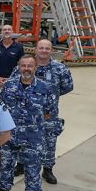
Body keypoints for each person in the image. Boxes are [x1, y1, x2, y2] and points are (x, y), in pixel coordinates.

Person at [0, 55, 52, 191]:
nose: (26, 69)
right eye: (23, 65)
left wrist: (31, 126)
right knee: (5, 165)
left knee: (33, 169)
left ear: (35, 68)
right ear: (19, 67)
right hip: (9, 136)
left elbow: (47, 113)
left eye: (29, 66)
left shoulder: (44, 88)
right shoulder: (9, 85)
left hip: (33, 138)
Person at [13, 39, 73, 183]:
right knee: (22, 139)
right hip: (25, 114)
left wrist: (51, 97)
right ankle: (20, 165)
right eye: (41, 48)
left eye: (47, 48)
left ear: (51, 50)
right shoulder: (25, 66)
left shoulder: (59, 68)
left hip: (48, 115)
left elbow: (67, 86)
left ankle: (47, 169)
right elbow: (14, 84)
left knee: (49, 141)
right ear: (36, 49)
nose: (44, 51)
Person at [0, 24, 24, 96]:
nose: (7, 31)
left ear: (12, 32)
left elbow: (21, 64)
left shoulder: (19, 47)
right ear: (1, 32)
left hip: (12, 81)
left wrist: (11, 79)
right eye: (4, 30)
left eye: (9, 29)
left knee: (10, 102)